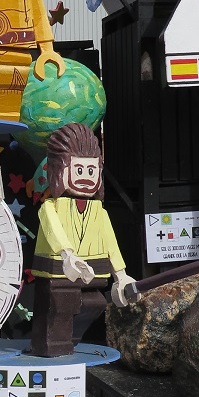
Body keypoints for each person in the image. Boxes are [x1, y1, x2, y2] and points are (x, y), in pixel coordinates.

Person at [29, 123, 136, 357]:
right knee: (58, 306)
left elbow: (110, 242)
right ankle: (51, 345)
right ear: (60, 170)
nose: (86, 177)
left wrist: (120, 274)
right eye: (79, 170)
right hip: (57, 269)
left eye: (91, 170)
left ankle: (68, 340)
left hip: (93, 269)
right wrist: (67, 254)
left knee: (94, 304)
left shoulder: (99, 211)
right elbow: (54, 230)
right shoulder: (50, 207)